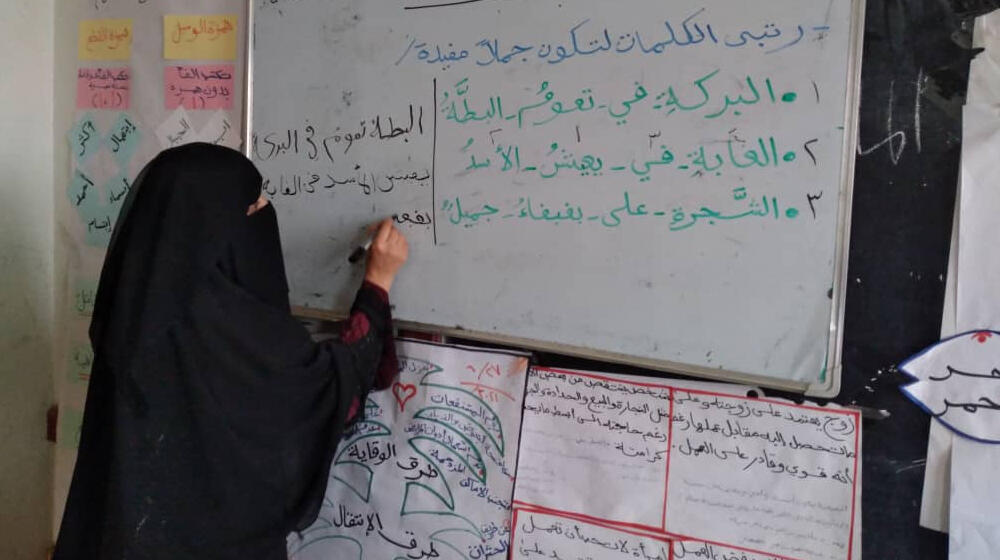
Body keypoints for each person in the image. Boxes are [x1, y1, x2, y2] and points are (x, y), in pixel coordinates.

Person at [53, 143, 408, 559]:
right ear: (213, 223)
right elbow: (333, 392)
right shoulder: (234, 331)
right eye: (253, 204)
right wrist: (377, 285)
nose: (266, 208)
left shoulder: (131, 308)